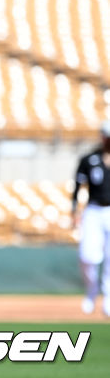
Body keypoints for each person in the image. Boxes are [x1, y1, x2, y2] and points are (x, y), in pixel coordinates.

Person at [72, 120, 110, 317]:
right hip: (94, 210)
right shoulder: (89, 159)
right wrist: (74, 211)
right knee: (87, 256)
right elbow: (77, 188)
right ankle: (92, 289)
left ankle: (108, 300)